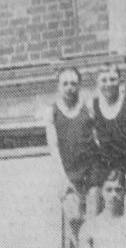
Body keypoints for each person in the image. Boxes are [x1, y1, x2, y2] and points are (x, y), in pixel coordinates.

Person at [43, 66, 100, 224]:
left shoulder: (88, 107)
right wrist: (63, 177)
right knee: (74, 221)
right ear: (59, 87)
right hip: (69, 174)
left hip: (91, 173)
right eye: (65, 84)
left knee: (93, 221)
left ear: (79, 86)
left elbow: (98, 139)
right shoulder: (52, 112)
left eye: (73, 83)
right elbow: (53, 147)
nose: (69, 88)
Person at [93, 63, 126, 184]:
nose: (108, 84)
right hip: (106, 167)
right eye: (103, 80)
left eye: (112, 79)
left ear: (120, 80)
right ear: (98, 82)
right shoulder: (93, 106)